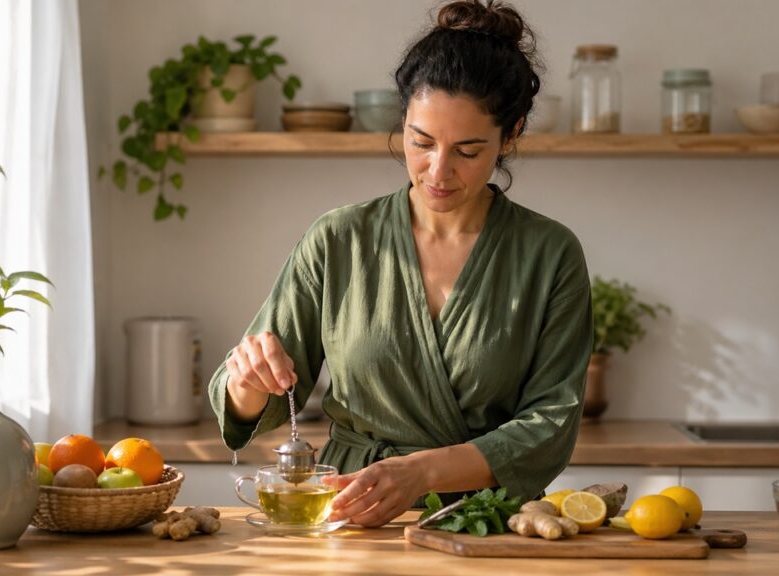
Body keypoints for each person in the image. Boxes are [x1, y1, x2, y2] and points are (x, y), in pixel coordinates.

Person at [209, 0, 592, 529]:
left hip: (480, 522)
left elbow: (550, 424)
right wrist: (248, 377)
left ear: (512, 134)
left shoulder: (550, 254)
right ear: (403, 121)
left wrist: (423, 472)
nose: (438, 170)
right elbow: (257, 404)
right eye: (421, 141)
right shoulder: (338, 239)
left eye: (468, 150)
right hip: (349, 515)